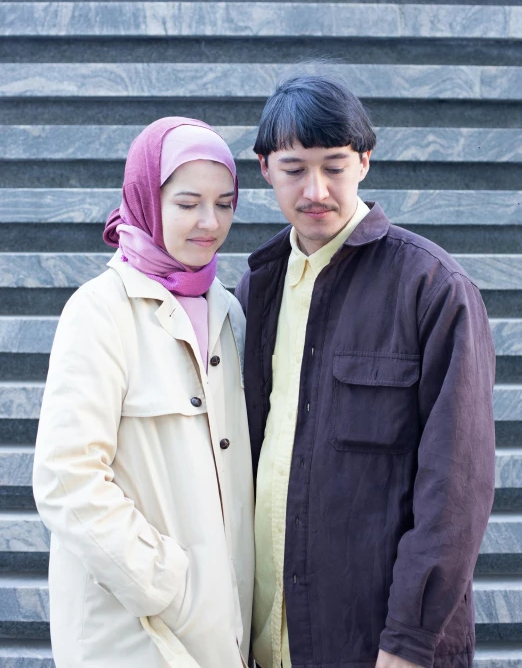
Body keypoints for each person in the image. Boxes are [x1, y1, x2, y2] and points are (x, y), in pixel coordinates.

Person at [235, 76, 496, 668]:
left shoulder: (432, 289)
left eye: (335, 165)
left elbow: (456, 491)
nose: (316, 189)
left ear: (365, 161)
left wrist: (407, 644)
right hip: (267, 640)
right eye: (295, 168)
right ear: (264, 169)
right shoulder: (258, 289)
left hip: (376, 644)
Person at [33, 117, 254, 668]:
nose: (210, 223)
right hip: (132, 632)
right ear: (146, 201)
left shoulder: (228, 310)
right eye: (187, 203)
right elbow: (67, 476)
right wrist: (165, 582)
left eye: (225, 203)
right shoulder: (100, 310)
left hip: (221, 631)